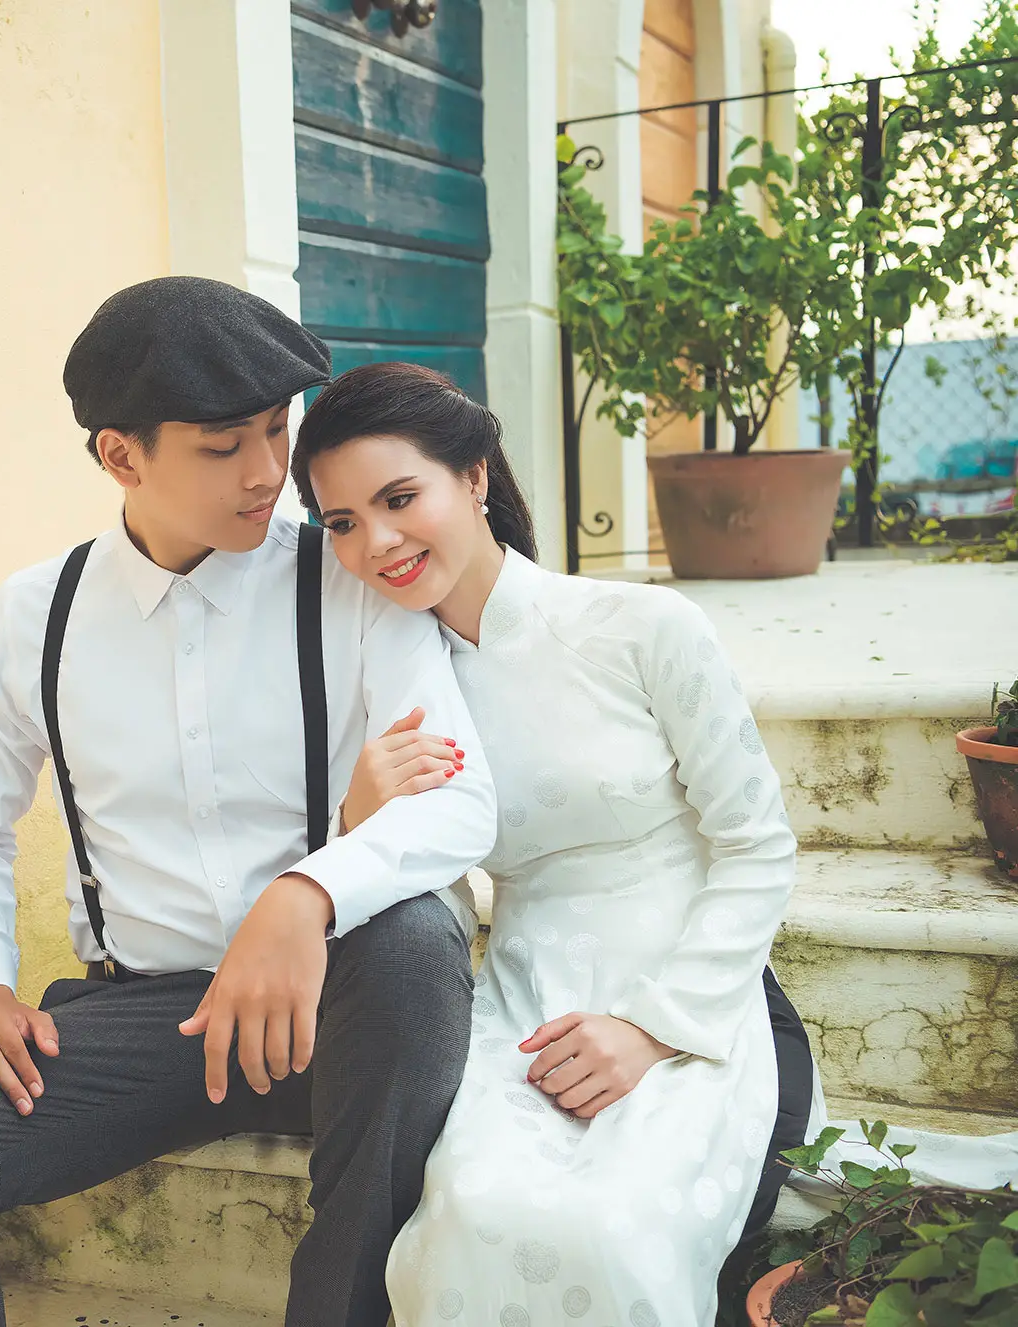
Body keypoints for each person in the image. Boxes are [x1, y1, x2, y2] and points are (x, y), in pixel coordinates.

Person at [0, 277, 501, 1327]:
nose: (267, 470)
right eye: (222, 445)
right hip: (150, 1016)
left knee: (417, 943)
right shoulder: (38, 614)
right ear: (121, 456)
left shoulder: (346, 576)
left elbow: (458, 802)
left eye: (276, 428)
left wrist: (304, 895)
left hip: (332, 999)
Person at [291, 361, 818, 1327]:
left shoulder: (642, 626)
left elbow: (757, 845)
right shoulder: (399, 688)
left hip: (694, 992)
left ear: (475, 476)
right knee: (471, 1212)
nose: (377, 543)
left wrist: (652, 1027)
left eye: (400, 499)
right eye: (344, 523)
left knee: (609, 1229)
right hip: (527, 1003)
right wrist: (360, 819)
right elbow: (422, 896)